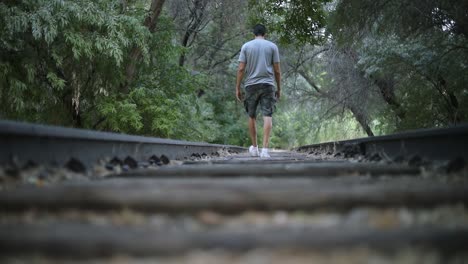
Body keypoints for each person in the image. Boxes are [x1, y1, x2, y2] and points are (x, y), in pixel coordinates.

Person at [236, 24, 281, 158]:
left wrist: (237, 88)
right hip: (268, 85)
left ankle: (255, 148)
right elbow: (277, 71)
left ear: (253, 34)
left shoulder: (246, 46)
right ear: (265, 34)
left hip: (251, 86)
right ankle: (265, 150)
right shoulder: (272, 47)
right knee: (267, 115)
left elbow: (240, 69)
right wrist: (279, 88)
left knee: (252, 115)